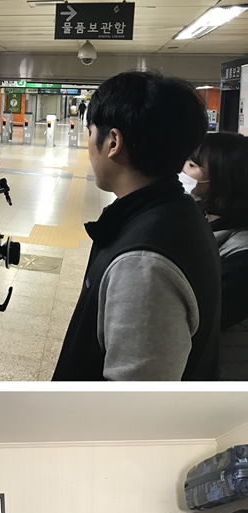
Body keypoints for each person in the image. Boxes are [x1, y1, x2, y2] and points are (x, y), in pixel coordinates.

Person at [52, 73, 220, 380]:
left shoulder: (144, 264)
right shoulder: (179, 212)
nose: (89, 144)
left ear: (113, 142)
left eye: (91, 132)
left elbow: (133, 401)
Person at [191, 133, 248, 376]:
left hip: (221, 377)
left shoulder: (242, 254)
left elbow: (199, 316)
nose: (181, 171)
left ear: (222, 178)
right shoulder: (200, 221)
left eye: (192, 165)